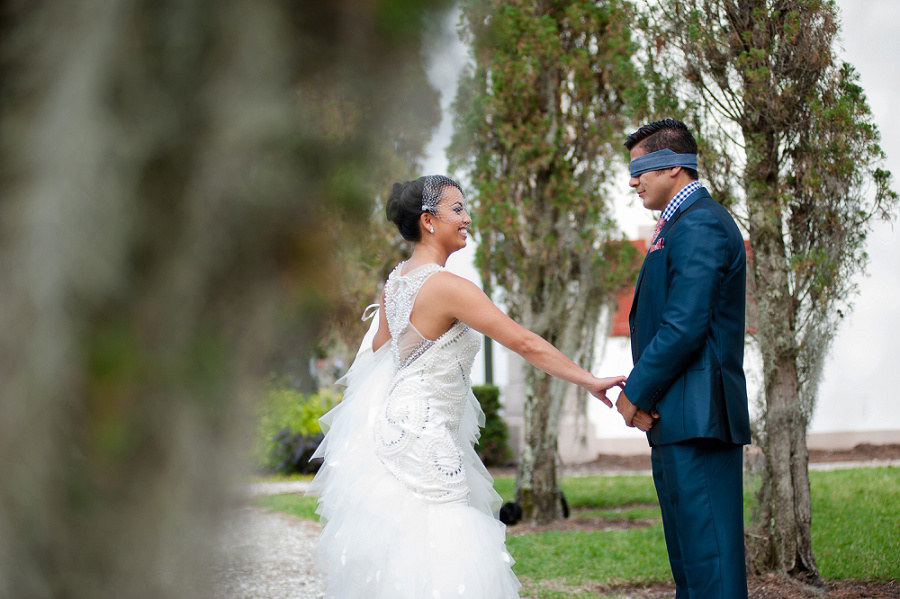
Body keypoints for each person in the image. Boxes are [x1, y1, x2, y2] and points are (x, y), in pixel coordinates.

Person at [309, 175, 626, 598]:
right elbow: (525, 342)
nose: (468, 218)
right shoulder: (447, 288)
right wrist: (589, 380)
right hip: (426, 436)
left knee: (408, 540)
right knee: (447, 535)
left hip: (393, 427)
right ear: (428, 221)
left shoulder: (395, 282)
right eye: (457, 209)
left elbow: (380, 354)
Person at [614, 119, 751, 598]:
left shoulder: (702, 223)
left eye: (640, 169)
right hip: (675, 418)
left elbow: (685, 324)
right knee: (691, 569)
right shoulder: (676, 225)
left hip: (700, 419)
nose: (633, 182)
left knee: (710, 566)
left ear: (674, 166)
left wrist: (634, 393)